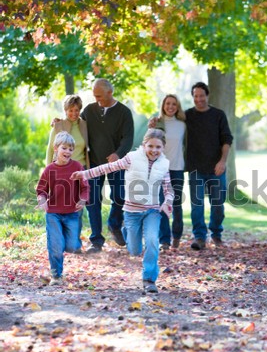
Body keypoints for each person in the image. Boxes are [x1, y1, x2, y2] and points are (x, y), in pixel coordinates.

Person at [71, 129, 174, 294]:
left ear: (163, 148)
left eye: (158, 147)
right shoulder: (131, 158)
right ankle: (126, 231)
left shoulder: (164, 164)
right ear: (143, 145)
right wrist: (84, 174)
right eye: (151, 146)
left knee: (153, 241)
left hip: (152, 211)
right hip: (132, 212)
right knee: (134, 250)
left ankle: (149, 279)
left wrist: (167, 202)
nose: (154, 150)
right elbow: (107, 168)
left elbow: (168, 189)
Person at [80, 78, 134, 253]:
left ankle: (114, 224)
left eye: (99, 96)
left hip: (116, 163)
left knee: (119, 196)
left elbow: (128, 138)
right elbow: (75, 124)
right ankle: (96, 241)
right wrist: (59, 122)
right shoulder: (89, 111)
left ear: (110, 93)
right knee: (93, 199)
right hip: (94, 162)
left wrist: (118, 154)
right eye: (94, 96)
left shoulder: (124, 113)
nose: (97, 99)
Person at [36, 132, 90, 285]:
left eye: (70, 149)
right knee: (55, 245)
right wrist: (42, 200)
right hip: (53, 213)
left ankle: (62, 250)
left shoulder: (77, 167)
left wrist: (83, 199)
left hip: (72, 213)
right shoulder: (49, 170)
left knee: (72, 246)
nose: (67, 152)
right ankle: (56, 275)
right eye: (64, 148)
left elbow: (85, 187)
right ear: (55, 148)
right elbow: (41, 189)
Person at [186, 81, 233, 250]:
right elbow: (170, 121)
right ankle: (199, 237)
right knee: (197, 205)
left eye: (201, 95)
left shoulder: (218, 115)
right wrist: (156, 121)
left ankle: (216, 235)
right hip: (196, 168)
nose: (199, 99)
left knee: (218, 204)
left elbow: (227, 139)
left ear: (207, 95)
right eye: (195, 96)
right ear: (193, 97)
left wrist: (222, 161)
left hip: (216, 168)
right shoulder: (187, 115)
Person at [46, 94, 90, 244]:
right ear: (65, 110)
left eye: (77, 110)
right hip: (61, 169)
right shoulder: (58, 126)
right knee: (61, 205)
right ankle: (61, 238)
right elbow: (50, 150)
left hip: (80, 169)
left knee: (78, 206)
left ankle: (74, 241)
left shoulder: (84, 125)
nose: (74, 113)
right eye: (70, 110)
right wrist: (49, 172)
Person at [149, 94, 186, 250]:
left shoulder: (183, 125)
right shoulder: (157, 123)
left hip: (177, 168)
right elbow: (148, 145)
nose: (170, 106)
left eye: (174, 104)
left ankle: (176, 236)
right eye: (168, 103)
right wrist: (150, 128)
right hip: (161, 169)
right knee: (162, 203)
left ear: (177, 107)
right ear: (163, 105)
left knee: (176, 204)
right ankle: (164, 240)